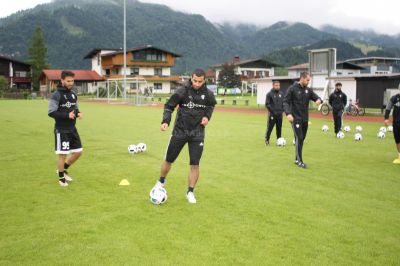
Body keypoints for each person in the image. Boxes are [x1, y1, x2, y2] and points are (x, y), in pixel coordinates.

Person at [151, 69, 217, 203]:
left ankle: (190, 192)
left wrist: (207, 116)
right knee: (168, 159)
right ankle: (160, 182)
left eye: (200, 81)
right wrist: (165, 121)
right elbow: (169, 106)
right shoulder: (182, 91)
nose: (197, 84)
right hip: (179, 131)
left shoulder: (208, 94)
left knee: (195, 164)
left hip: (197, 133)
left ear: (204, 80)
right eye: (195, 81)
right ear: (191, 78)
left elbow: (211, 106)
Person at [48, 71, 83, 187]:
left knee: (78, 152)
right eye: (68, 81)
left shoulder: (73, 94)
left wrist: (78, 114)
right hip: (61, 129)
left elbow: (75, 109)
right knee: (62, 154)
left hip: (72, 129)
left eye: (72, 81)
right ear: (62, 80)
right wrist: (67, 115)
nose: (70, 83)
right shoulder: (56, 95)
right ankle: (61, 178)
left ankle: (63, 169)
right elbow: (51, 112)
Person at [283, 72, 322, 169]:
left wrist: (319, 100)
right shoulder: (292, 89)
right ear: (302, 78)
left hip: (305, 119)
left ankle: (296, 158)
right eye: (307, 80)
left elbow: (317, 97)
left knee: (301, 139)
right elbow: (285, 102)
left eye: (309, 80)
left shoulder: (308, 90)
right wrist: (288, 113)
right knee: (299, 138)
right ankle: (300, 162)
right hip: (295, 119)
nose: (309, 82)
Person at [265, 80, 284, 145]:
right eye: (276, 85)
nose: (278, 87)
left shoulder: (281, 93)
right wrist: (273, 111)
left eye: (279, 85)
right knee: (270, 128)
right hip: (272, 115)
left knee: (279, 128)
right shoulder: (269, 94)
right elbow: (267, 104)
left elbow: (283, 103)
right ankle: (267, 140)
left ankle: (279, 140)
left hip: (280, 115)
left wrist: (282, 110)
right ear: (273, 86)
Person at [384, 93, 400, 164]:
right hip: (396, 123)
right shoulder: (394, 98)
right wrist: (386, 118)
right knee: (397, 140)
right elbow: (388, 107)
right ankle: (399, 157)